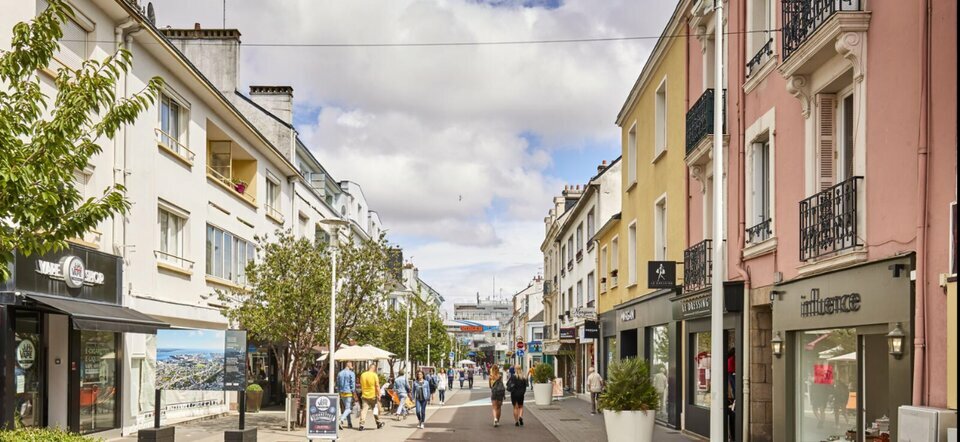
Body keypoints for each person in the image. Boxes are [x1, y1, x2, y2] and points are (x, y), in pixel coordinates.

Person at [358, 362, 384, 431]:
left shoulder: (363, 375)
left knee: (364, 410)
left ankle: (361, 425)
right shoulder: (374, 375)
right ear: (374, 368)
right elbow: (377, 386)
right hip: (373, 396)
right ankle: (378, 423)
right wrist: (379, 394)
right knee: (375, 410)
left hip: (364, 395)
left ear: (369, 367)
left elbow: (361, 384)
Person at [336, 361, 357, 429]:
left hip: (342, 392)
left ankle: (349, 423)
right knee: (348, 409)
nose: (352, 367)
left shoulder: (340, 373)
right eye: (351, 365)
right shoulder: (351, 373)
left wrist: (339, 391)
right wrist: (354, 393)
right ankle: (340, 420)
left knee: (346, 408)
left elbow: (337, 384)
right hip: (348, 392)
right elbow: (352, 384)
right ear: (349, 365)